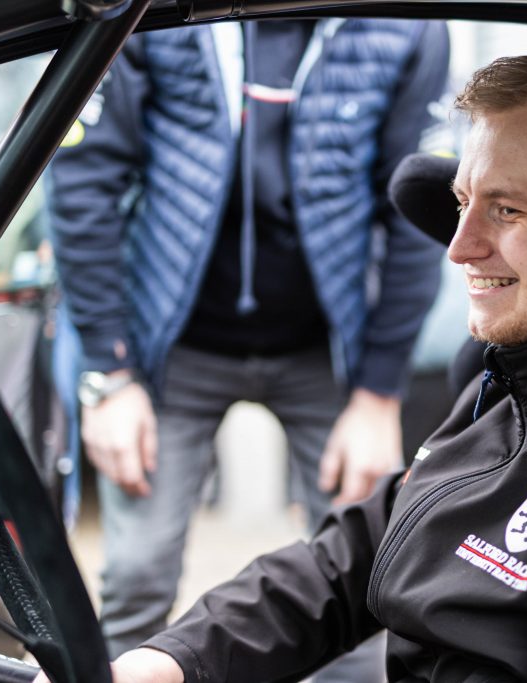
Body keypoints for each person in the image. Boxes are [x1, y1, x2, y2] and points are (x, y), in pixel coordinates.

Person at [39, 48, 527, 683]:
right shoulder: (507, 391)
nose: (459, 245)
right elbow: (346, 562)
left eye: (506, 211)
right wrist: (166, 663)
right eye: (463, 200)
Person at [47, 17, 450, 678]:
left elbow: (417, 216)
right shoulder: (154, 14)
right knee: (136, 573)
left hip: (327, 349)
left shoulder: (406, 28)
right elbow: (83, 178)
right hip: (170, 349)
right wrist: (111, 374)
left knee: (372, 577)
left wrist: (379, 393)